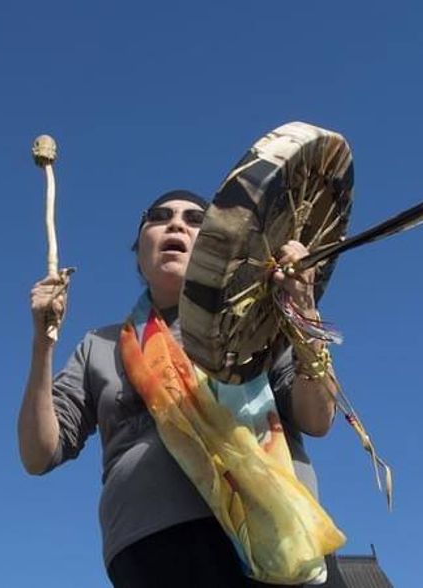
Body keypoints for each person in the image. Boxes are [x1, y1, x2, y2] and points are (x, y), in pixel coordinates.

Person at [18, 189, 339, 588]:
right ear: (138, 253)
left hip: (280, 536)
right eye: (159, 216)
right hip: (154, 551)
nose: (176, 224)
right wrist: (42, 343)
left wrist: (304, 312)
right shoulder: (98, 346)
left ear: (220, 247)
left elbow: (317, 417)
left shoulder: (260, 321)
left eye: (195, 220)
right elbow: (38, 454)